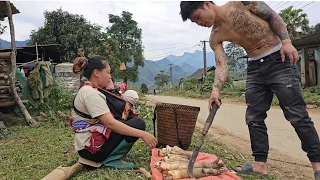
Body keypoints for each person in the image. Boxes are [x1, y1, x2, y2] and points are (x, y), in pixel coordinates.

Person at [180, 1, 320, 179]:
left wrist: (286, 41)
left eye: (197, 17)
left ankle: (317, 166)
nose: (199, 23)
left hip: (279, 58)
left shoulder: (241, 3)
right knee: (253, 117)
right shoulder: (215, 36)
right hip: (255, 67)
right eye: (194, 22)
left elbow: (272, 16)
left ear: (207, 4)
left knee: (297, 115)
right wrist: (215, 90)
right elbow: (222, 65)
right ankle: (260, 164)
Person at [71, 55, 157, 169]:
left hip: (91, 144)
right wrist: (143, 134)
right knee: (139, 124)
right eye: (107, 72)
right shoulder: (90, 93)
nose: (109, 76)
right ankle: (111, 158)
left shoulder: (91, 89)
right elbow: (110, 123)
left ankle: (113, 152)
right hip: (91, 151)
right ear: (97, 73)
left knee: (132, 120)